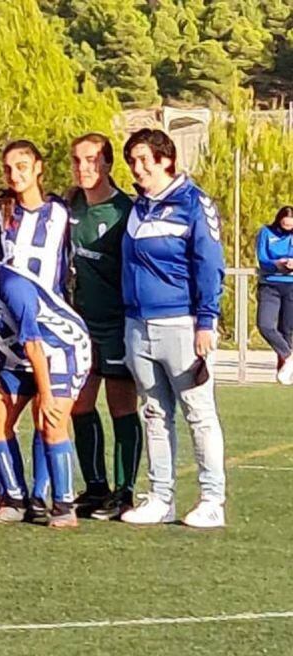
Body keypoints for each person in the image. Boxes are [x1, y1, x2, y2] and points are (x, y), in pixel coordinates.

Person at [0, 227, 92, 529]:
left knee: (50, 420)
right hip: (15, 357)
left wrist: (46, 395)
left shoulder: (13, 286)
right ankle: (15, 500)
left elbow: (35, 345)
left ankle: (63, 505)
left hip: (59, 350)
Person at [119, 129, 226, 529]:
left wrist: (206, 321)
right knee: (154, 413)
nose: (137, 168)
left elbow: (209, 264)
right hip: (137, 325)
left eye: (144, 160)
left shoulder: (193, 203)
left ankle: (212, 499)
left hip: (181, 324)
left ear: (166, 160)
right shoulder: (138, 206)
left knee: (199, 414)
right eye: (132, 161)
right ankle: (160, 497)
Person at [66, 133, 144, 520]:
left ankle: (124, 491)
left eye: (92, 160)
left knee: (121, 405)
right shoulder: (70, 206)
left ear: (108, 164)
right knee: (79, 404)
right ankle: (95, 486)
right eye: (77, 160)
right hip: (79, 323)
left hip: (116, 323)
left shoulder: (124, 212)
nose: (84, 167)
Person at [0, 139, 74, 519]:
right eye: (9, 168)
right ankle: (13, 496)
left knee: (49, 415)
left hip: (50, 332)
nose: (15, 175)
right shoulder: (0, 214)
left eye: (22, 166)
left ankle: (45, 497)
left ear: (39, 167)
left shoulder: (61, 213)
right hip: (11, 333)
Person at [256, 206, 293, 384]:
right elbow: (262, 258)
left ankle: (285, 373)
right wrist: (277, 264)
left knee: (287, 330)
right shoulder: (266, 233)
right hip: (270, 284)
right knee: (265, 324)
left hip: (291, 285)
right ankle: (289, 356)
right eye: (285, 226)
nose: (288, 230)